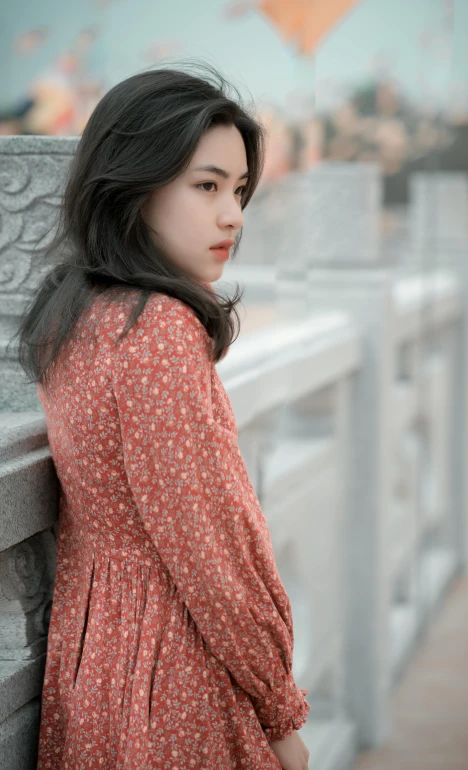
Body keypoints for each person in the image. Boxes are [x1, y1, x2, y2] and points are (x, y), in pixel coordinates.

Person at [15, 63, 311, 770]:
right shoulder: (155, 333)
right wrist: (280, 714)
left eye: (238, 190)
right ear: (132, 186)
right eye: (205, 186)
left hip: (100, 669)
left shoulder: (78, 315)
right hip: (176, 678)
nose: (232, 215)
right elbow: (212, 555)